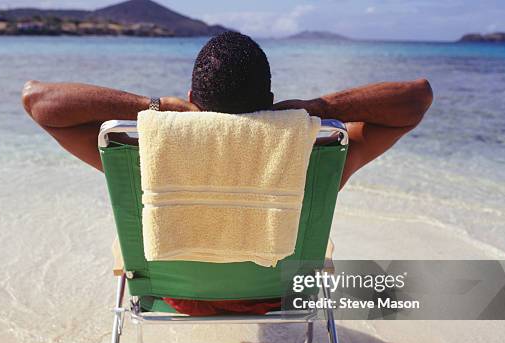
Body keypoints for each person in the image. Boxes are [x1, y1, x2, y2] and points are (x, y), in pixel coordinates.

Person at [22, 31, 433, 315]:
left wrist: (152, 106)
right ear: (271, 101)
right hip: (278, 294)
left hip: (174, 294)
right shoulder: (312, 153)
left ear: (188, 99)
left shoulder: (147, 154)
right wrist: (315, 107)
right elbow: (417, 98)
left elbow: (38, 100)